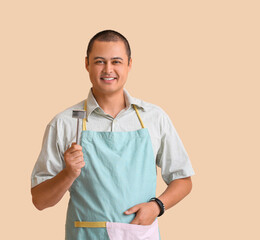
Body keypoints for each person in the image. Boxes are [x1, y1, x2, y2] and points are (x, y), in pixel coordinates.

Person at [31, 30, 195, 240]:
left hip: (140, 234)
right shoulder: (64, 123)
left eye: (116, 61)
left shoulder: (155, 118)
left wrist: (157, 206)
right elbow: (40, 201)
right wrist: (68, 174)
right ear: (87, 64)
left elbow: (183, 179)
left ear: (129, 64)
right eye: (99, 61)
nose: (108, 69)